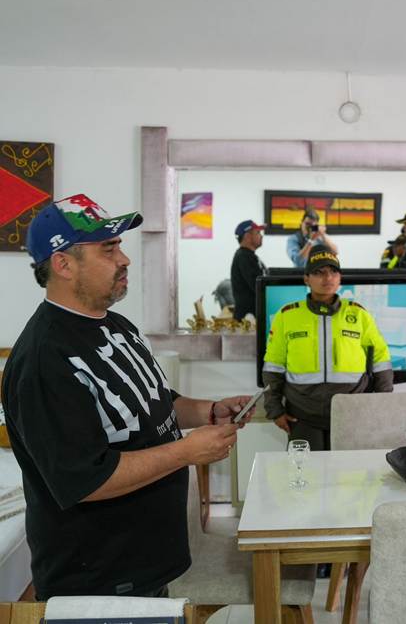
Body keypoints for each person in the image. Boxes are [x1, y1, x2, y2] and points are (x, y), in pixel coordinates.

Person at [1, 194, 253, 600]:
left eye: (119, 245)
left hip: (147, 562)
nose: (125, 259)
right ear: (63, 264)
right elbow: (87, 479)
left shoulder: (115, 324)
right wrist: (187, 452)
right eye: (108, 248)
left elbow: (154, 401)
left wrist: (208, 411)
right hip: (97, 579)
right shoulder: (43, 361)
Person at [261, 245, 394, 451]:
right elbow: (273, 365)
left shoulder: (359, 315)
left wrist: (381, 402)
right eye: (319, 272)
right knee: (306, 475)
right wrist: (274, 409)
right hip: (303, 413)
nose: (328, 278)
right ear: (306, 279)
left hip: (351, 412)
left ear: (340, 278)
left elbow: (380, 358)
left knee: (351, 477)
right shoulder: (287, 316)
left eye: (333, 271)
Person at [230, 219, 268, 321]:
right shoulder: (244, 257)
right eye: (258, 232)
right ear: (247, 236)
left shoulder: (248, 256)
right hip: (248, 320)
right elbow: (258, 286)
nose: (261, 235)